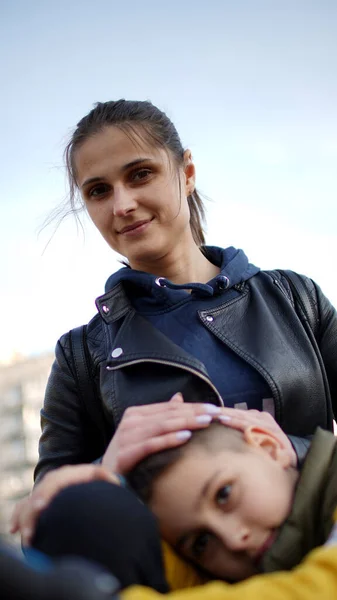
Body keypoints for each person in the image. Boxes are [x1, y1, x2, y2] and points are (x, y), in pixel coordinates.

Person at [11, 98, 337, 585]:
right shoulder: (80, 357)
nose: (122, 204)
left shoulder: (294, 296)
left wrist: (289, 450)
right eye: (99, 191)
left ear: (186, 173)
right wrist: (110, 467)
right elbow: (50, 521)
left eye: (139, 174)